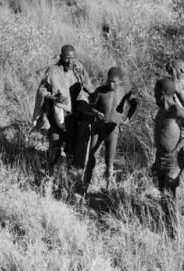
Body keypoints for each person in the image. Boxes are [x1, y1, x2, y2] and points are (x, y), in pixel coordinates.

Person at [31, 44, 98, 172]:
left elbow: (89, 87)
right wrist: (55, 99)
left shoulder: (78, 69)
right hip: (57, 114)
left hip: (73, 115)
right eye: (67, 58)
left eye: (73, 58)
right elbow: (42, 92)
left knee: (71, 147)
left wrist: (95, 100)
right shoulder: (52, 71)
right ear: (61, 57)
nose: (70, 61)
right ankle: (49, 174)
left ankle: (68, 175)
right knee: (55, 147)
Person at [82, 67, 138, 194]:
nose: (111, 84)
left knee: (109, 160)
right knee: (92, 157)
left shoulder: (125, 92)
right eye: (109, 81)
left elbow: (134, 104)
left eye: (114, 82)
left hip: (113, 130)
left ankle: (107, 189)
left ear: (120, 82)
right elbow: (90, 107)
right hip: (98, 128)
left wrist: (128, 118)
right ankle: (85, 186)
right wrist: (96, 113)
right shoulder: (100, 91)